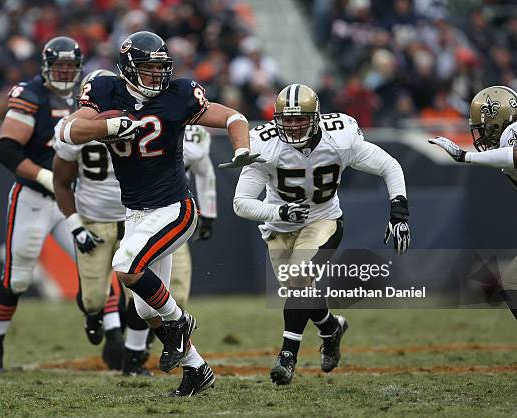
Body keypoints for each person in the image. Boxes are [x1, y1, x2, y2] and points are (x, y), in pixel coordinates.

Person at [57, 31, 261, 396]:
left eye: (160, 67)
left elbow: (234, 117)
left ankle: (181, 322)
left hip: (175, 208)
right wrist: (109, 125)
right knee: (148, 311)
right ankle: (197, 370)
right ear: (128, 68)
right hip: (136, 212)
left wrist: (242, 149)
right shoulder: (106, 91)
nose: (157, 75)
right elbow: (71, 131)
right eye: (149, 68)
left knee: (125, 265)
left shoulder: (178, 95)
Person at [233, 83, 410, 385]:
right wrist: (279, 212)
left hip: (323, 220)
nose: (292, 126)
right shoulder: (263, 144)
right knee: (300, 291)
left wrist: (399, 212)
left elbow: (389, 166)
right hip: (279, 227)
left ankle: (287, 356)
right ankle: (331, 328)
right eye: (286, 120)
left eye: (299, 119)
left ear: (316, 117)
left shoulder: (340, 138)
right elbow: (240, 203)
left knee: (301, 278)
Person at [0, 36, 83, 376]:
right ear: (46, 65)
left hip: (73, 197)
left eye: (71, 67)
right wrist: (44, 177)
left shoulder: (86, 96)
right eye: (60, 66)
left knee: (96, 264)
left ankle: (114, 341)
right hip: (34, 196)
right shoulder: (32, 94)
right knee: (17, 279)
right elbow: (7, 150)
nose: (66, 73)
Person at [53, 68, 152, 376]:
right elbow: (60, 182)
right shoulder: (71, 129)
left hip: (132, 217)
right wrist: (75, 225)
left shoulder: (134, 122)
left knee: (136, 292)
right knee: (92, 299)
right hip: (94, 219)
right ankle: (95, 315)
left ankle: (135, 350)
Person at [428, 85, 517, 320]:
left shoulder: (512, 132)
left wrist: (465, 156)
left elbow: (515, 155)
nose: (482, 133)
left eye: (485, 127)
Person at [170, 125, 217, 309]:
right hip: (133, 210)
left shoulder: (193, 135)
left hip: (171, 211)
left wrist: (208, 215)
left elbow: (205, 172)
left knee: (178, 293)